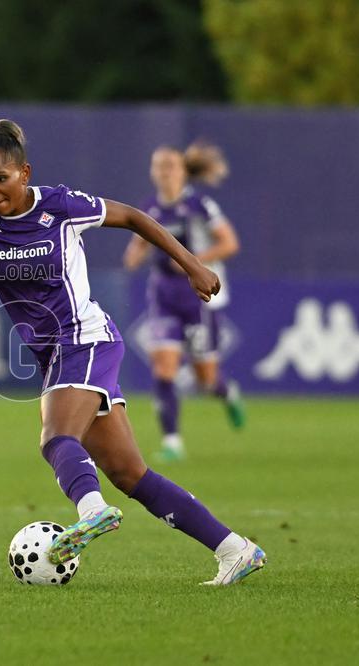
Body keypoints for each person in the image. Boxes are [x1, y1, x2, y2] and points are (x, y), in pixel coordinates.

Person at [0, 120, 265, 585]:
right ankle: (235, 549)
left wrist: (192, 264)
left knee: (55, 436)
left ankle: (92, 510)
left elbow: (133, 217)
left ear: (24, 173)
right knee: (130, 473)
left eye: (0, 178)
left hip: (85, 339)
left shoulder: (60, 206)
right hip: (54, 355)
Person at [123, 142, 245, 461]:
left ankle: (227, 393)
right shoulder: (150, 208)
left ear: (182, 171)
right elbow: (139, 242)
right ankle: (172, 442)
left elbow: (230, 243)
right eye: (158, 166)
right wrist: (134, 254)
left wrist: (193, 261)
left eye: (170, 166)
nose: (164, 172)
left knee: (206, 380)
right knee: (163, 368)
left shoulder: (199, 205)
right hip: (163, 295)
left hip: (199, 298)